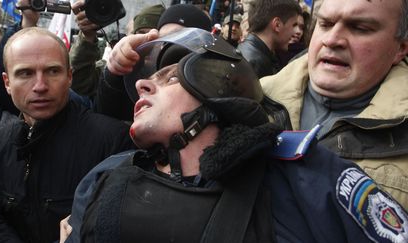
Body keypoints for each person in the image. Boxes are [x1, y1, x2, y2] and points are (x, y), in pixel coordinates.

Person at [60, 28, 408, 243]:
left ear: (217, 86)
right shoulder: (104, 177)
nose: (140, 84)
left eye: (170, 78)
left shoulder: (306, 179)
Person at [0, 27, 135, 242]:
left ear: (69, 77)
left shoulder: (113, 143)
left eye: (53, 71)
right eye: (25, 73)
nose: (40, 86)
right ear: (7, 83)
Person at [260, 0, 408, 210]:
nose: (332, 39)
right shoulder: (253, 98)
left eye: (360, 28)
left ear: (400, 48)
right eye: (326, 24)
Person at [92, 3, 212, 122]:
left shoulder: (216, 91)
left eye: (178, 37)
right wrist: (114, 74)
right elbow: (109, 118)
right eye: (163, 39)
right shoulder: (146, 83)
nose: (168, 47)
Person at [237, 0, 301, 78]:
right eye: (294, 25)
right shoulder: (256, 64)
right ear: (277, 25)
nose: (297, 31)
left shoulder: (254, 54)